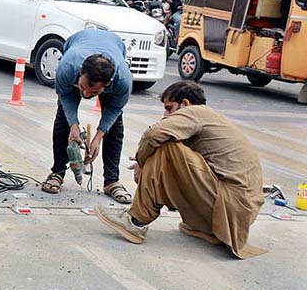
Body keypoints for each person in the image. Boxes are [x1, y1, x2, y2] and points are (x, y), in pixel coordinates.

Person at [95, 81, 266, 258]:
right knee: (164, 147)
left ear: (185, 104)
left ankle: (136, 221)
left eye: (169, 108)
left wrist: (141, 160)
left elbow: (152, 134)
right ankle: (208, 230)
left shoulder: (196, 112)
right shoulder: (211, 119)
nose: (166, 115)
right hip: (235, 212)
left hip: (230, 205)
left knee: (165, 146)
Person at [41, 29, 133, 203]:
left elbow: (115, 107)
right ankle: (57, 172)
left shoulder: (122, 80)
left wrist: (99, 136)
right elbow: (64, 95)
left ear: (108, 84)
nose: (85, 93)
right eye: (83, 87)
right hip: (78, 43)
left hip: (114, 47)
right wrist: (73, 126)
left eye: (94, 92)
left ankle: (111, 181)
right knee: (63, 120)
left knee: (114, 127)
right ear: (81, 72)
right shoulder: (67, 67)